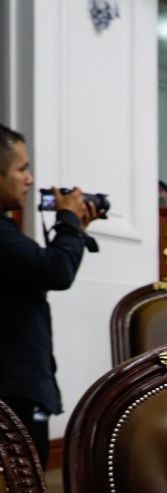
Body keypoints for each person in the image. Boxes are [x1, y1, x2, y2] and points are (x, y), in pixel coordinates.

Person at [0, 124, 97, 464]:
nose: (29, 179)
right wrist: (68, 218)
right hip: (11, 396)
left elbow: (40, 268)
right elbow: (57, 271)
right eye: (21, 168)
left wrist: (73, 228)